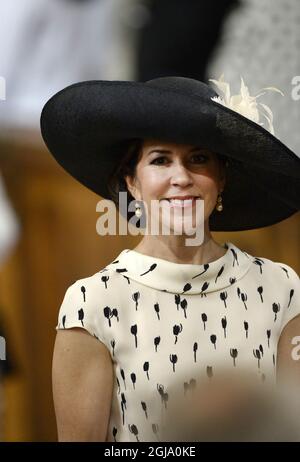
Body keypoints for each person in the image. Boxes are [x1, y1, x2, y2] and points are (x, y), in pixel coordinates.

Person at [40, 75, 300, 442]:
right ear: (131, 182)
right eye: (161, 160)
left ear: (221, 177)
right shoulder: (92, 303)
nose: (181, 177)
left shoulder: (281, 289)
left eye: (198, 159)